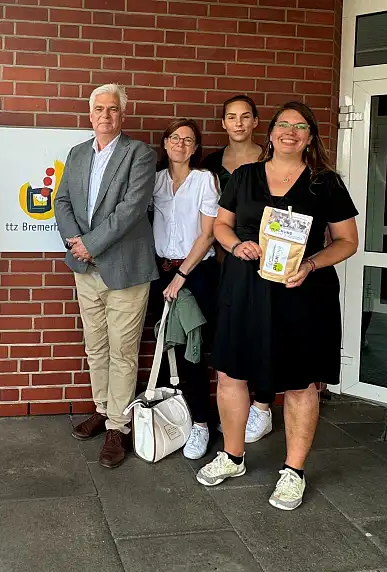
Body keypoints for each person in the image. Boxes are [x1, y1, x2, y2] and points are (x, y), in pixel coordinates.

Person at [196, 101, 359, 511]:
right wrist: (236, 245)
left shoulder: (326, 184)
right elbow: (220, 225)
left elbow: (347, 241)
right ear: (269, 134)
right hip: (244, 288)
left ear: (310, 137)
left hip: (301, 292)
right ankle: (233, 457)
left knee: (301, 382)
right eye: (283, 125)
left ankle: (293, 471)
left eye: (300, 126)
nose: (291, 132)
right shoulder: (245, 176)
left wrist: (311, 263)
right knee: (232, 373)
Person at [54, 83, 158, 469]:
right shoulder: (78, 154)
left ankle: (118, 426)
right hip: (86, 269)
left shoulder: (140, 154)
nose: (105, 115)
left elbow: (131, 210)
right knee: (95, 346)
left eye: (112, 109)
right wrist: (74, 240)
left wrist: (89, 244)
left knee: (123, 352)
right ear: (90, 113)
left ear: (122, 115)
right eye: (99, 108)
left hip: (126, 270)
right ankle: (102, 409)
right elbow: (61, 201)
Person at [203, 95, 275, 443]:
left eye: (246, 116)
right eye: (231, 117)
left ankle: (262, 407)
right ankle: (235, 409)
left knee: (265, 335)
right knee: (231, 338)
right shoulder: (211, 162)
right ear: (223, 123)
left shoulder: (271, 158)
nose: (239, 123)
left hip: (266, 261)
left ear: (256, 121)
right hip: (222, 262)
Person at [150, 118, 220, 460]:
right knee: (165, 348)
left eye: (188, 140)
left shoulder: (205, 180)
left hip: (195, 273)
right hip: (161, 272)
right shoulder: (154, 181)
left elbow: (207, 235)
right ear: (165, 143)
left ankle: (202, 425)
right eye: (174, 138)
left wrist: (182, 274)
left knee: (194, 351)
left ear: (195, 148)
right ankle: (172, 418)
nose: (180, 144)